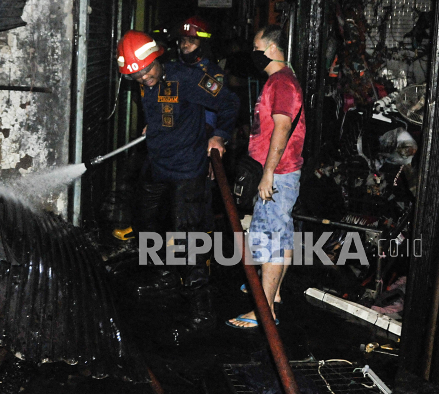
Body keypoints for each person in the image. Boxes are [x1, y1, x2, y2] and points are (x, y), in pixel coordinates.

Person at [116, 30, 239, 337]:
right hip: (157, 164)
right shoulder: (148, 82)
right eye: (137, 77)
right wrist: (153, 125)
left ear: (158, 58)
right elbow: (164, 110)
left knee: (189, 238)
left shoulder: (187, 78)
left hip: (187, 169)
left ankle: (201, 310)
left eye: (147, 71)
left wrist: (218, 135)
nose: (144, 79)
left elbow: (230, 103)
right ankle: (165, 274)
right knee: (145, 222)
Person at [227, 24, 305, 330]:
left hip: (279, 173)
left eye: (258, 49)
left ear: (272, 49)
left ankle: (263, 310)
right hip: (285, 172)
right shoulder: (281, 80)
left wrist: (268, 173)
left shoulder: (282, 83)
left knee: (269, 239)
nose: (254, 55)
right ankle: (273, 296)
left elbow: (282, 129)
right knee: (281, 236)